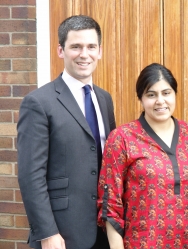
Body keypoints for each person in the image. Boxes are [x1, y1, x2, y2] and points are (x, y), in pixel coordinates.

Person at [17, 15, 116, 249]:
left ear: (100, 51)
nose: (84, 54)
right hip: (62, 234)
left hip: (105, 229)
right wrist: (47, 233)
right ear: (61, 50)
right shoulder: (38, 103)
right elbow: (31, 176)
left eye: (91, 46)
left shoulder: (104, 99)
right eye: (76, 47)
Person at [97, 63, 188, 249]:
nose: (160, 101)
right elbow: (110, 205)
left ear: (175, 94)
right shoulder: (122, 138)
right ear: (140, 98)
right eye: (151, 94)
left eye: (166, 93)